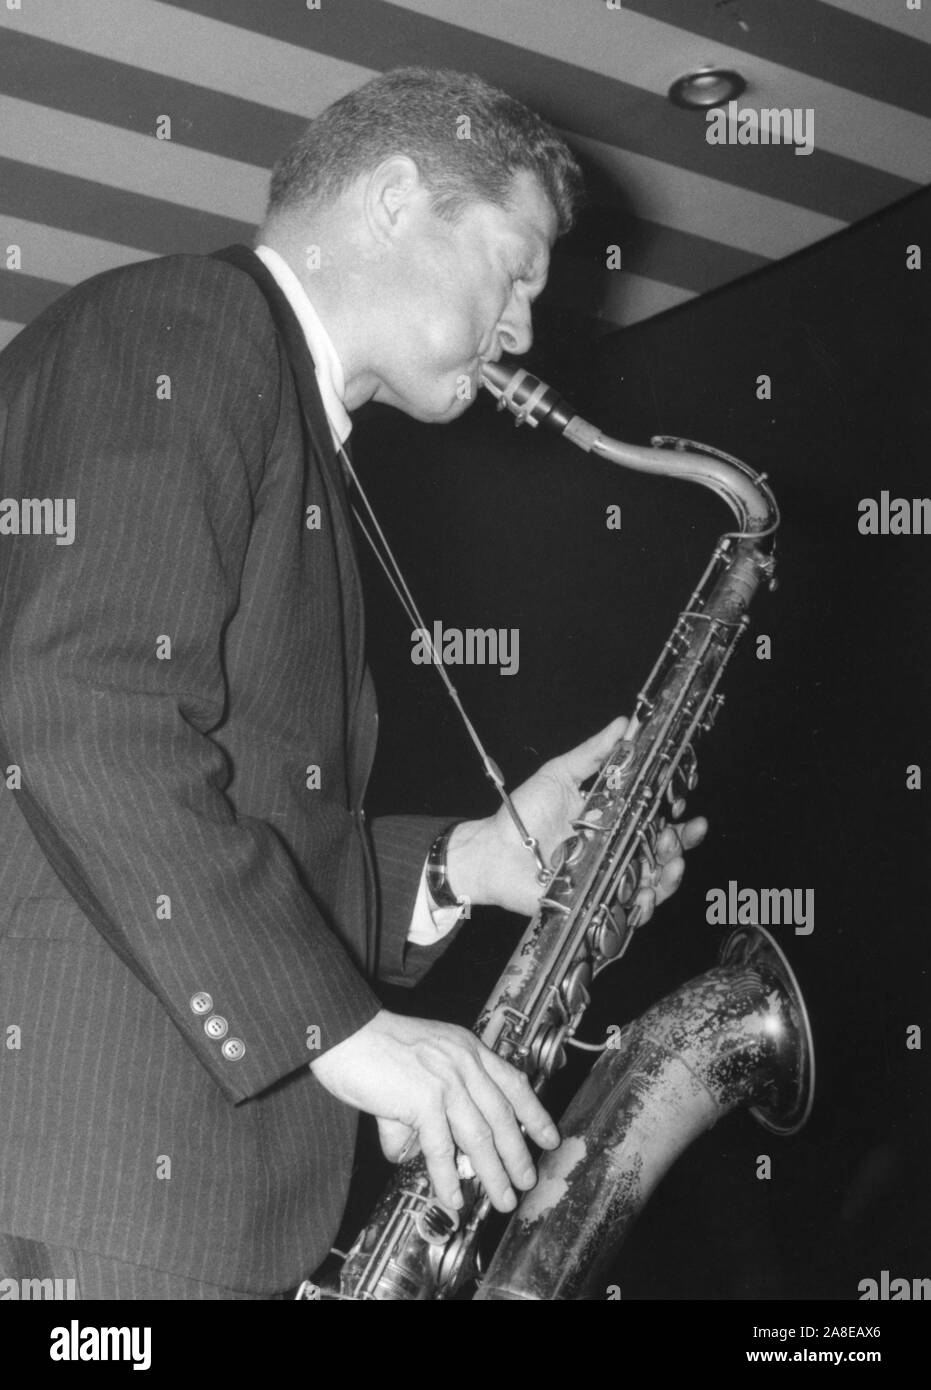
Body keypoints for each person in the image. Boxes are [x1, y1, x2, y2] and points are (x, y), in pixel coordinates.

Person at [0, 67, 705, 1300]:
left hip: (190, 1213)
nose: (526, 330)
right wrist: (343, 1028)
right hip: (99, 1184)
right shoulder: (189, 324)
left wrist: (473, 860)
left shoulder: (305, 436)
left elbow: (248, 824)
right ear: (393, 200)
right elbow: (85, 715)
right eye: (516, 269)